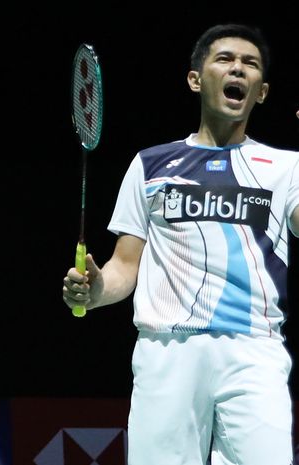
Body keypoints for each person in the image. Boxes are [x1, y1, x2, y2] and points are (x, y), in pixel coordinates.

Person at [63, 24, 299, 464]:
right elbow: (124, 266)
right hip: (167, 349)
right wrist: (96, 290)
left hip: (254, 351)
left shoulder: (287, 168)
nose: (238, 69)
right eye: (225, 59)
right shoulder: (151, 165)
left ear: (261, 92)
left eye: (250, 65)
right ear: (196, 79)